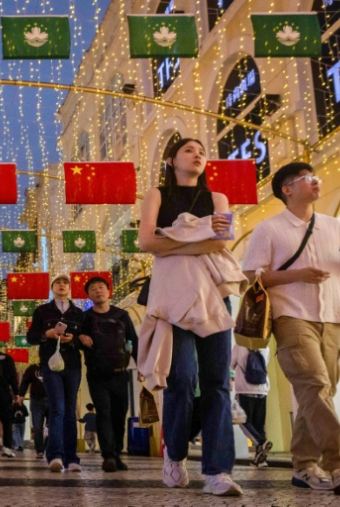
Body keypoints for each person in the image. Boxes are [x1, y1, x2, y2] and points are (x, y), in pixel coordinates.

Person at [242, 162, 340, 495]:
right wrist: (295, 275)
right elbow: (250, 276)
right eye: (308, 179)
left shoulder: (334, 226)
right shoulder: (268, 229)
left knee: (319, 393)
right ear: (287, 189)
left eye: (317, 178)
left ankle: (304, 465)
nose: (316, 182)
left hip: (333, 315)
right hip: (291, 316)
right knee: (314, 385)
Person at [138, 138, 244, 496]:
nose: (197, 154)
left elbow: (222, 241)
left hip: (212, 294)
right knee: (180, 378)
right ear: (171, 160)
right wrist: (199, 236)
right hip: (172, 295)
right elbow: (146, 242)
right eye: (188, 150)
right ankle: (176, 454)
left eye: (201, 151)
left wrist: (175, 239)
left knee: (217, 382)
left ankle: (218, 470)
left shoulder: (217, 199)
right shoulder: (157, 194)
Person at [26, 274, 85, 473]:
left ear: (70, 288)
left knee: (70, 411)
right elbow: (31, 336)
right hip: (51, 365)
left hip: (73, 366)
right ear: (52, 287)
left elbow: (85, 338)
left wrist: (73, 340)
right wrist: (47, 334)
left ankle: (71, 458)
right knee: (57, 409)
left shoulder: (78, 313)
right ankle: (55, 455)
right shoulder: (42, 311)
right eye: (58, 282)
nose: (62, 285)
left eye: (65, 282)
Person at [79, 276, 138, 472]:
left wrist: (142, 368)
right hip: (97, 376)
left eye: (101, 287)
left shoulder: (122, 315)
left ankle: (118, 453)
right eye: (93, 288)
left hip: (121, 373)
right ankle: (108, 456)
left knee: (119, 415)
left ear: (108, 291)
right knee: (104, 413)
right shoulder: (85, 318)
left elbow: (133, 342)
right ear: (88, 295)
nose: (98, 291)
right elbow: (74, 339)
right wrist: (80, 336)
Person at [230, 344, 272, 467]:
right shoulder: (265, 347)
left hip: (244, 389)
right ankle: (260, 460)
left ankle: (260, 443)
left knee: (242, 420)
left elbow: (230, 364)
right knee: (259, 425)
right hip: (262, 390)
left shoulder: (239, 346)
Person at [18, 362, 47, 458]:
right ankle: (40, 451)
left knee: (53, 426)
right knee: (37, 427)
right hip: (36, 401)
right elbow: (25, 381)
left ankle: (49, 447)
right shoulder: (32, 368)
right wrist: (21, 394)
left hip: (52, 400)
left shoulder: (54, 365)